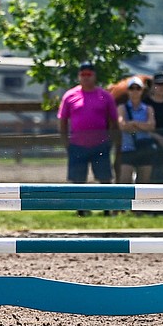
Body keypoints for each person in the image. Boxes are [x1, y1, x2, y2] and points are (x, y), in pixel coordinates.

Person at [58, 62, 120, 213]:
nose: (86, 78)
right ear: (79, 76)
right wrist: (66, 142)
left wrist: (110, 141)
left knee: (104, 177)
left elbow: (113, 120)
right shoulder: (70, 96)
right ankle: (81, 209)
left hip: (100, 144)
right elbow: (62, 119)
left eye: (89, 74)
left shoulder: (105, 96)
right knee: (78, 179)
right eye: (83, 74)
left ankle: (107, 209)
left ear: (94, 76)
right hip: (77, 144)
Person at [116, 77, 158, 185]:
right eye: (132, 88)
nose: (135, 91)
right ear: (128, 91)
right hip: (128, 148)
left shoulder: (148, 108)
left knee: (143, 183)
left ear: (142, 90)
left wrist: (133, 123)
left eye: (138, 88)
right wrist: (142, 125)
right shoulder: (122, 107)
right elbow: (122, 125)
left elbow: (151, 126)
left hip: (144, 148)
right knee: (124, 181)